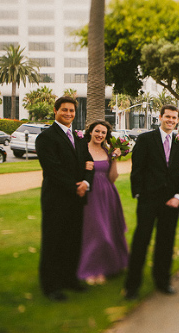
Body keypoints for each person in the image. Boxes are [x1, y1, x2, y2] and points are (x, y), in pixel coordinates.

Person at [124, 105, 179, 300]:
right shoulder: (146, 139)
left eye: (174, 117)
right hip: (148, 200)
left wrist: (178, 196)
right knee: (141, 241)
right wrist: (139, 194)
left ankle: (163, 281)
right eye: (167, 116)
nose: (171, 120)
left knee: (166, 241)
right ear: (160, 117)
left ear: (177, 120)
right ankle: (132, 285)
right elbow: (137, 169)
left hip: (171, 201)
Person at [35, 96, 93, 301]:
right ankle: (51, 286)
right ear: (55, 110)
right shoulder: (46, 137)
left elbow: (89, 163)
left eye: (71, 111)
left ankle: (70, 279)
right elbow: (53, 168)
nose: (68, 113)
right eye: (64, 110)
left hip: (77, 198)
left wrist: (86, 183)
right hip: (56, 198)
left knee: (73, 240)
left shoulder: (79, 138)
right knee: (54, 241)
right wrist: (74, 186)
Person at [77, 120, 128, 286]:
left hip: (108, 194)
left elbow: (112, 178)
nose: (100, 135)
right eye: (97, 131)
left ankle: (106, 267)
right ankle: (91, 269)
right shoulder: (81, 149)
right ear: (90, 132)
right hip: (90, 194)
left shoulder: (107, 152)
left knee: (109, 231)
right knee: (96, 232)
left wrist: (114, 160)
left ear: (107, 136)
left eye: (103, 133)